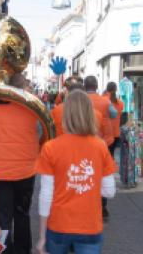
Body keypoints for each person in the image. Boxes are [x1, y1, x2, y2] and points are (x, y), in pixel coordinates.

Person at [36, 90, 117, 254]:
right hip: (90, 226)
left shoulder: (50, 148)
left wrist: (42, 236)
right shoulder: (100, 146)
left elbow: (46, 194)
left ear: (66, 115)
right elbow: (109, 191)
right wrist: (88, 184)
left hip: (59, 225)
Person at [0, 73, 42, 254]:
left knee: (2, 218)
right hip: (26, 171)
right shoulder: (33, 110)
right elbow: (40, 134)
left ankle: (1, 251)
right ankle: (23, 250)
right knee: (22, 214)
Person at [84, 75, 117, 220]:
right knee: (103, 173)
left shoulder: (82, 100)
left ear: (85, 86)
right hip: (105, 141)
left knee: (87, 172)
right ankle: (103, 207)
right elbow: (114, 114)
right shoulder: (105, 100)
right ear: (97, 86)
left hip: (85, 143)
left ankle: (88, 204)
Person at [104, 82, 124, 157]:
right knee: (111, 155)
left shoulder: (102, 100)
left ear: (107, 89)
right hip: (115, 133)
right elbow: (121, 118)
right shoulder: (120, 103)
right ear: (116, 90)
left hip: (104, 133)